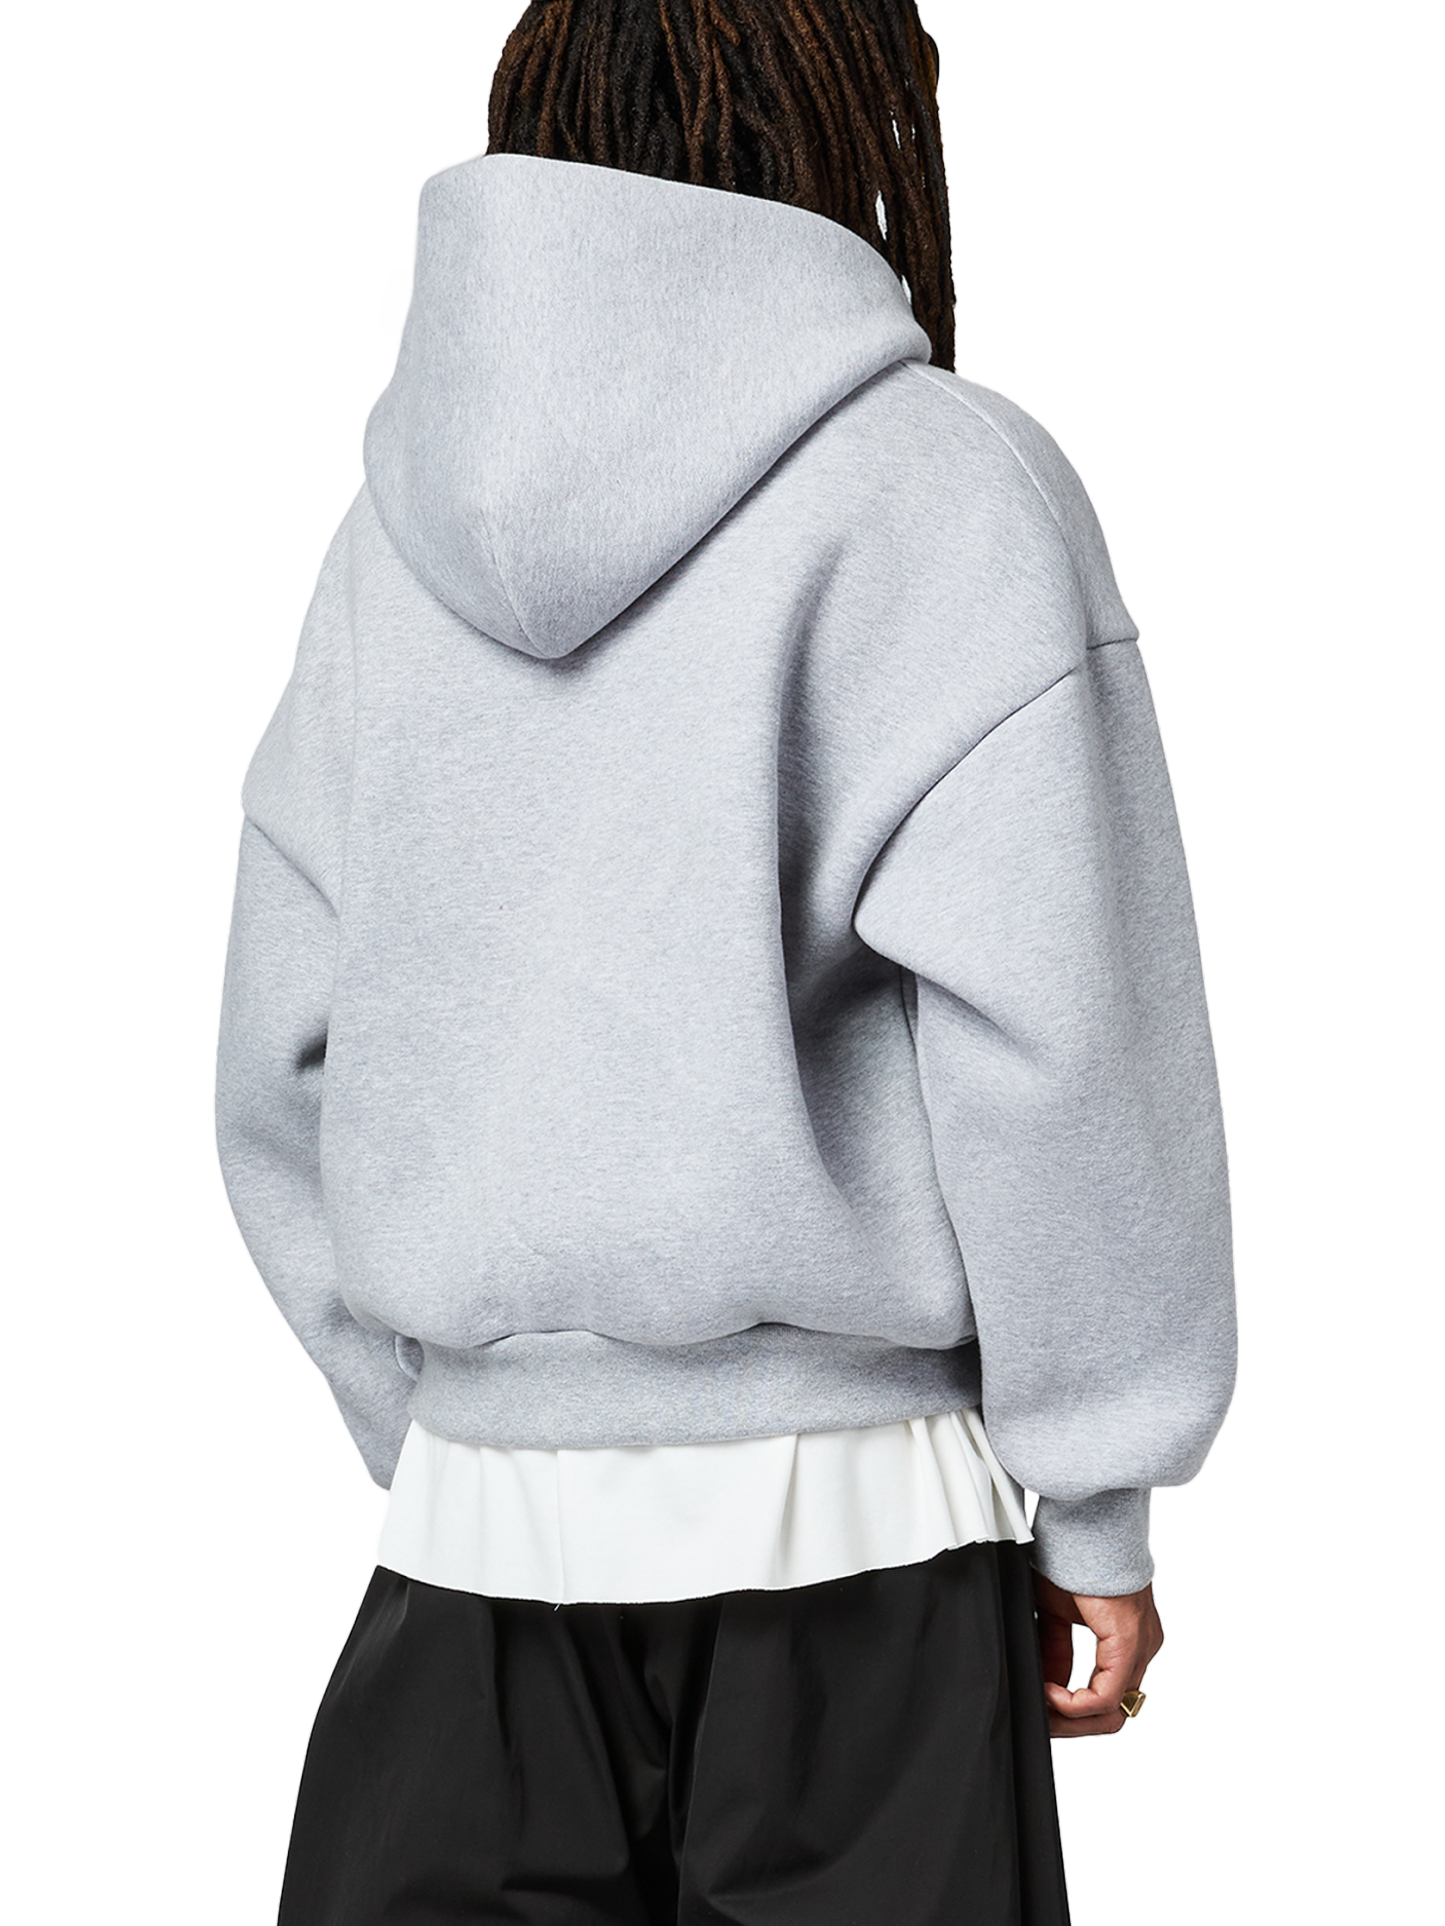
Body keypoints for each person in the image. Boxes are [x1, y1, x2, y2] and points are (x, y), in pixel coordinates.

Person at [212, 2, 1237, 1920]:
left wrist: (454, 1429)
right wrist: (1098, 1490)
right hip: (862, 1558)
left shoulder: (379, 541)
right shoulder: (950, 486)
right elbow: (1062, 1050)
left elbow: (280, 1055)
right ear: (851, 113)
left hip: (473, 1553)